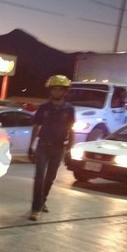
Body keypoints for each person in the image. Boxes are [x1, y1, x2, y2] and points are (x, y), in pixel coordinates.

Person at [27, 75, 75, 221]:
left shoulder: (70, 109)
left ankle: (42, 201)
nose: (56, 92)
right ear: (50, 91)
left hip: (59, 147)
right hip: (43, 145)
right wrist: (31, 146)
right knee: (39, 178)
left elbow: (71, 130)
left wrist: (69, 150)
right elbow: (36, 126)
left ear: (65, 91)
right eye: (54, 89)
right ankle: (35, 209)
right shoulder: (43, 108)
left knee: (50, 178)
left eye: (60, 89)